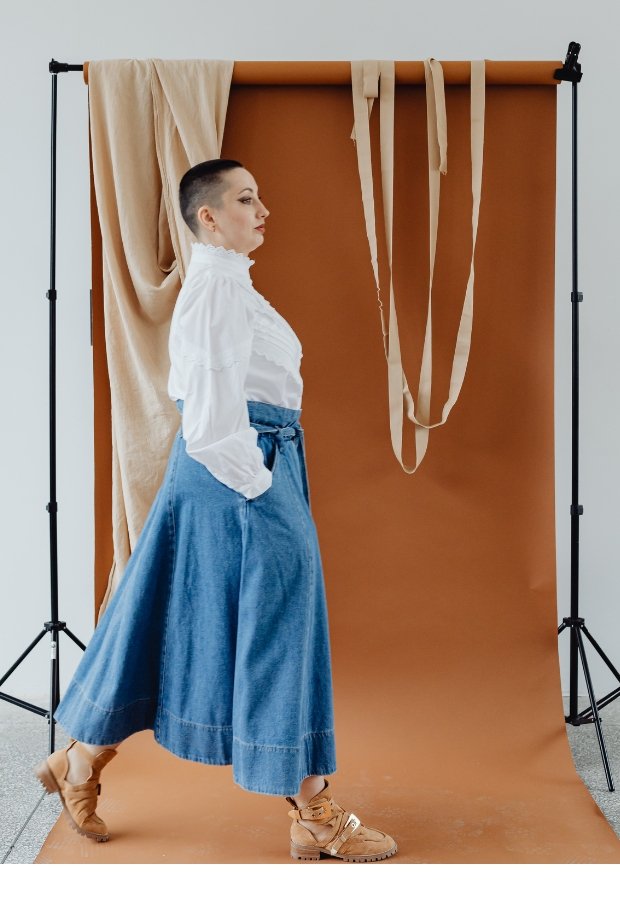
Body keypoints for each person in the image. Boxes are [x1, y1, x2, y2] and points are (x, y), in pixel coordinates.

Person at [34, 159, 397, 863]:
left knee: (172, 618)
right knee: (277, 627)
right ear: (208, 215)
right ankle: (314, 812)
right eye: (245, 198)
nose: (263, 209)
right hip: (236, 469)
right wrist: (261, 488)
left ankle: (79, 758)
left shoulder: (232, 284)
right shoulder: (214, 291)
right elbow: (207, 419)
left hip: (254, 461)